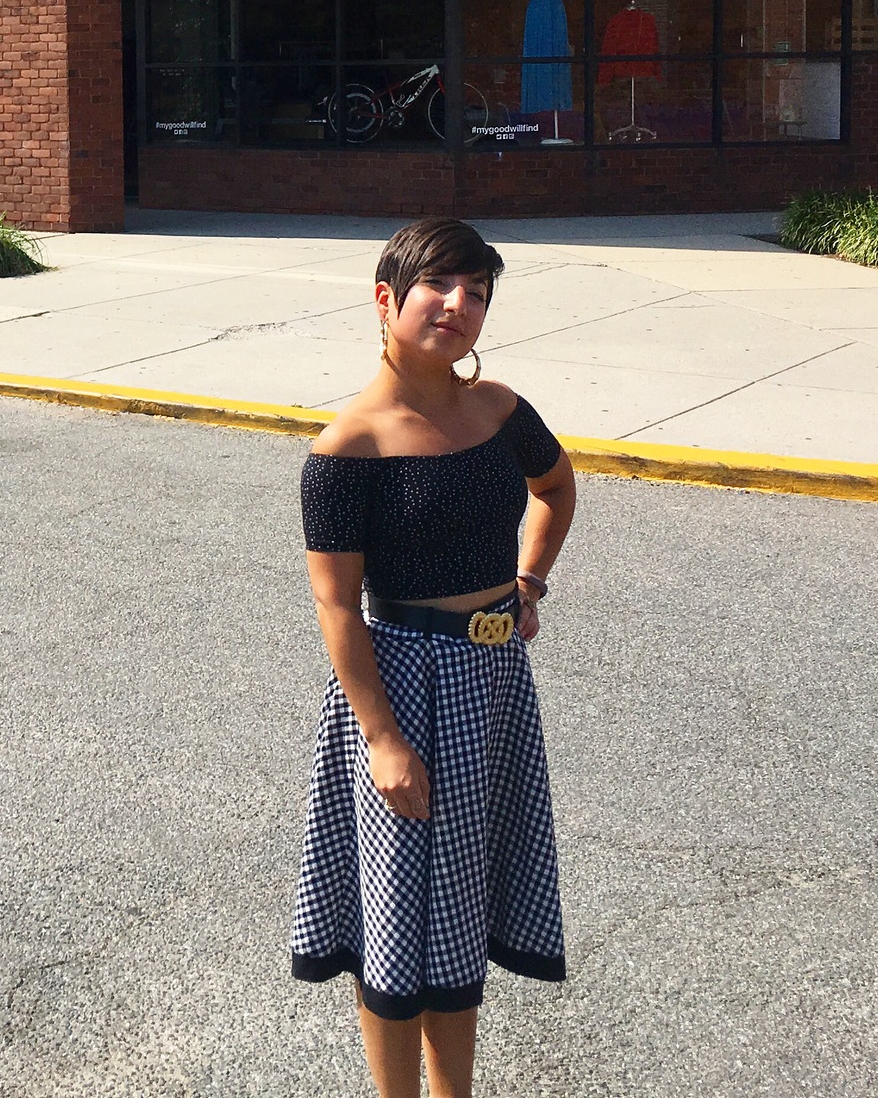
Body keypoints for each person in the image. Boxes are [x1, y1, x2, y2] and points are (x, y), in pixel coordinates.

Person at [290, 218, 579, 1098]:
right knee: (394, 921)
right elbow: (336, 604)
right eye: (441, 287)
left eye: (480, 292)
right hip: (401, 689)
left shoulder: (500, 412)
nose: (461, 306)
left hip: (494, 685)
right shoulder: (348, 449)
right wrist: (381, 739)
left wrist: (527, 584)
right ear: (387, 298)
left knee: (457, 917)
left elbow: (557, 489)